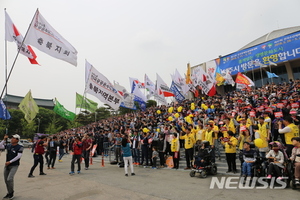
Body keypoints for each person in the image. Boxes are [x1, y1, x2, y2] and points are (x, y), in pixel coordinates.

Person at [0, 134, 23, 199]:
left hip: (14, 165)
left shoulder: (20, 147)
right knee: (6, 180)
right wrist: (4, 139)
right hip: (7, 165)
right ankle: (9, 192)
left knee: (9, 179)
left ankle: (11, 193)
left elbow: (18, 156)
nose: (12, 139)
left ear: (17, 140)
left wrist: (10, 161)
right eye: (12, 138)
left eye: (14, 138)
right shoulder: (9, 145)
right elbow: (0, 146)